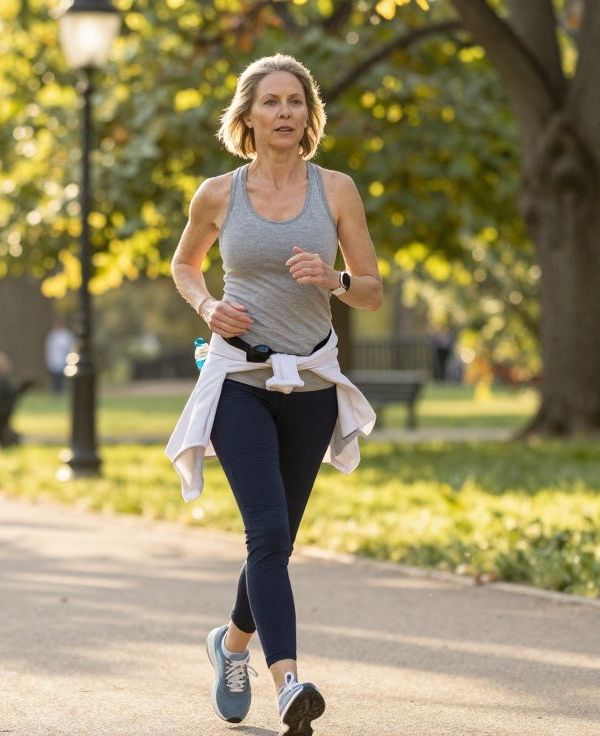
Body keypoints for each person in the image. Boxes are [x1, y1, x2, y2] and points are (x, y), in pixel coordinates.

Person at [164, 54, 381, 736]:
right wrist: (206, 307)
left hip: (311, 383)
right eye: (271, 102)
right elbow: (183, 263)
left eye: (295, 101)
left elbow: (372, 289)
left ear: (307, 116)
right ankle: (288, 682)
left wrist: (334, 279)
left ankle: (229, 645)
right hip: (238, 380)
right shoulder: (218, 194)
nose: (284, 112)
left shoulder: (337, 190)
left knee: (277, 543)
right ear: (248, 117)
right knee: (267, 531)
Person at [44, 319, 73, 394]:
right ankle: (55, 391)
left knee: (62, 378)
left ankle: (61, 391)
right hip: (54, 360)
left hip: (64, 361)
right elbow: (49, 348)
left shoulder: (67, 336)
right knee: (55, 378)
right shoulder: (52, 335)